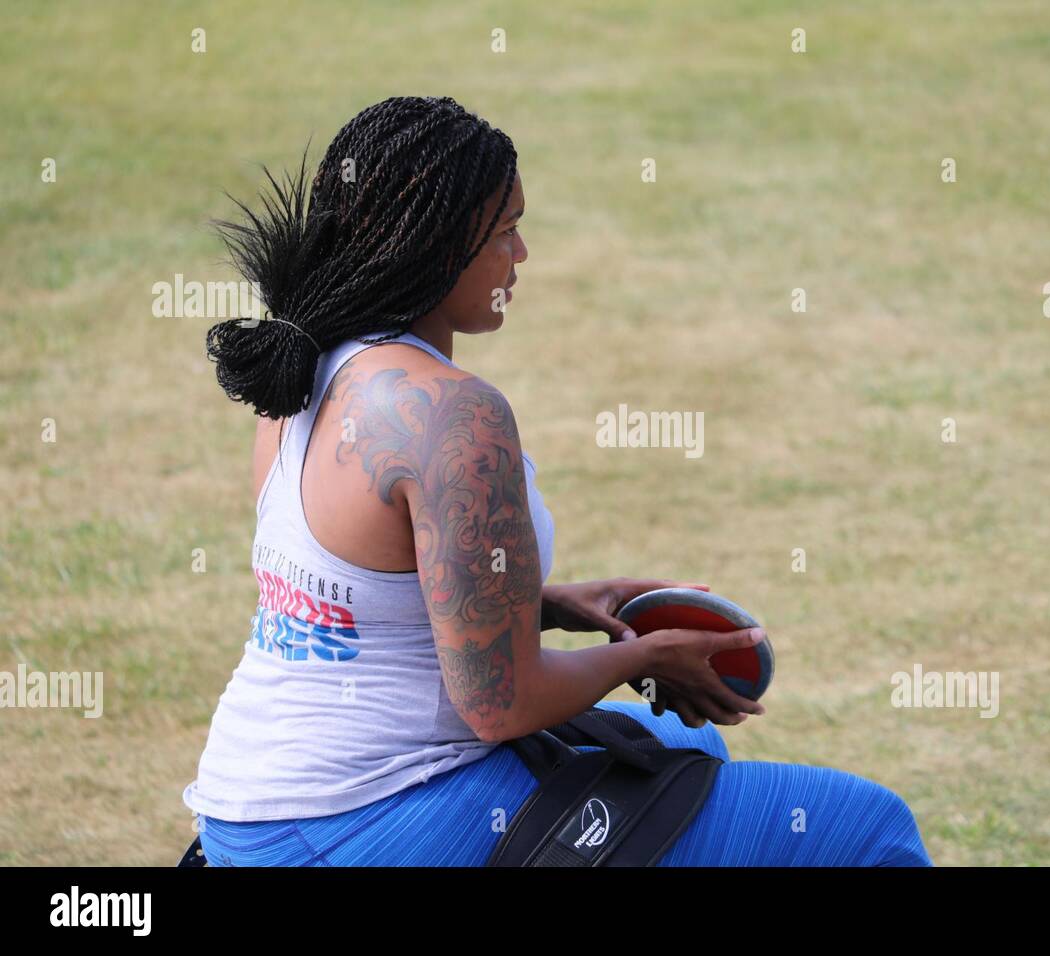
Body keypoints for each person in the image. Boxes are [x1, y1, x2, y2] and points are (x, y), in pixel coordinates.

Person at [183, 95, 931, 866]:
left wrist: (550, 607)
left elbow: (368, 610)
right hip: (356, 825)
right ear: (436, 246)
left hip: (253, 806)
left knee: (679, 736)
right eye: (506, 231)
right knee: (872, 831)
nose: (523, 255)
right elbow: (501, 704)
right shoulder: (451, 417)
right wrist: (644, 658)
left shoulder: (300, 369)